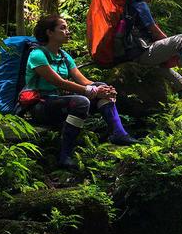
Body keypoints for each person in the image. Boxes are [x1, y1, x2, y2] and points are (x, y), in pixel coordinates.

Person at [25, 15, 137, 168]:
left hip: (62, 102)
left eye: (67, 28)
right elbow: (59, 82)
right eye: (62, 28)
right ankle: (64, 156)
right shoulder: (37, 55)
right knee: (81, 101)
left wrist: (103, 89)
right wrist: (91, 90)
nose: (67, 31)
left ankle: (119, 133)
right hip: (41, 105)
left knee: (100, 85)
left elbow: (84, 81)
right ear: (49, 33)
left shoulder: (64, 56)